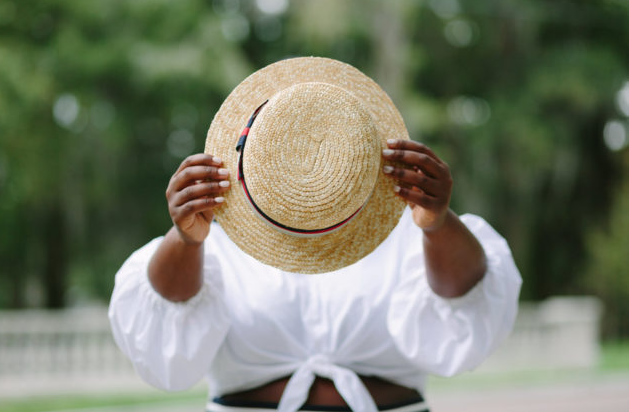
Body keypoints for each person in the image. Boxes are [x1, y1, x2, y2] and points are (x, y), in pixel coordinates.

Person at [109, 57, 521, 412]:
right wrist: (186, 240)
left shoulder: (411, 234)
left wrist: (438, 222)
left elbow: (467, 305)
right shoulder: (215, 246)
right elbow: (165, 332)